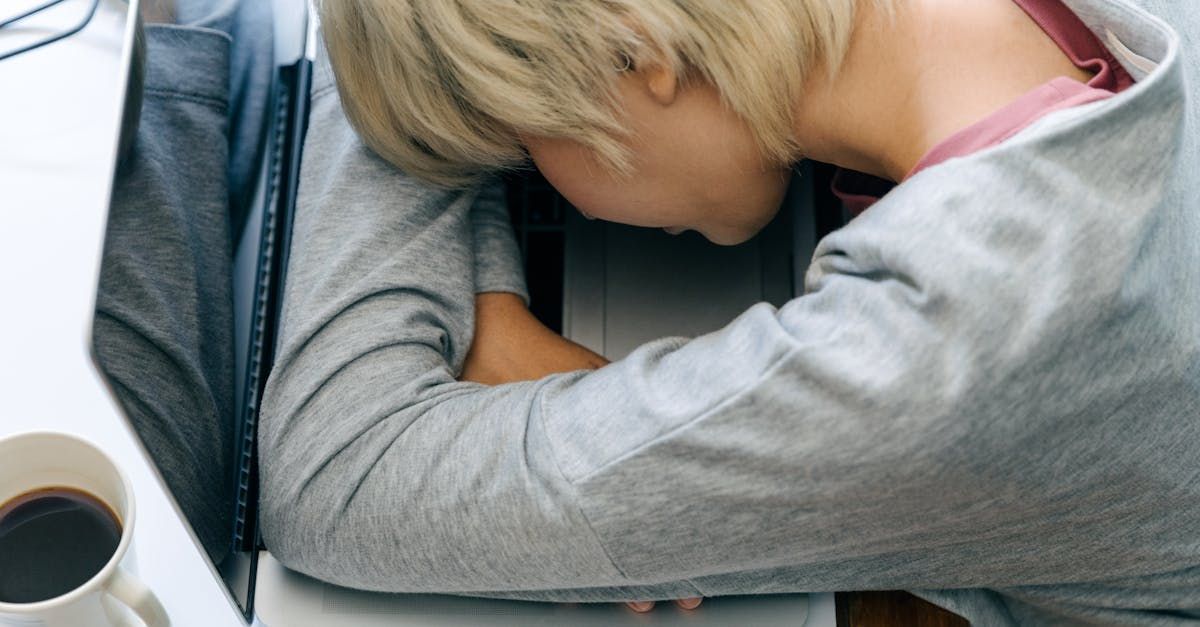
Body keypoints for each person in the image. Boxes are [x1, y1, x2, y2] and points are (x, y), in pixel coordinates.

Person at [259, 0, 1200, 624]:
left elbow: (336, 471)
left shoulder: (948, 339)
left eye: (514, 142)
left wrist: (418, 54)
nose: (549, 192)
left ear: (638, 52)